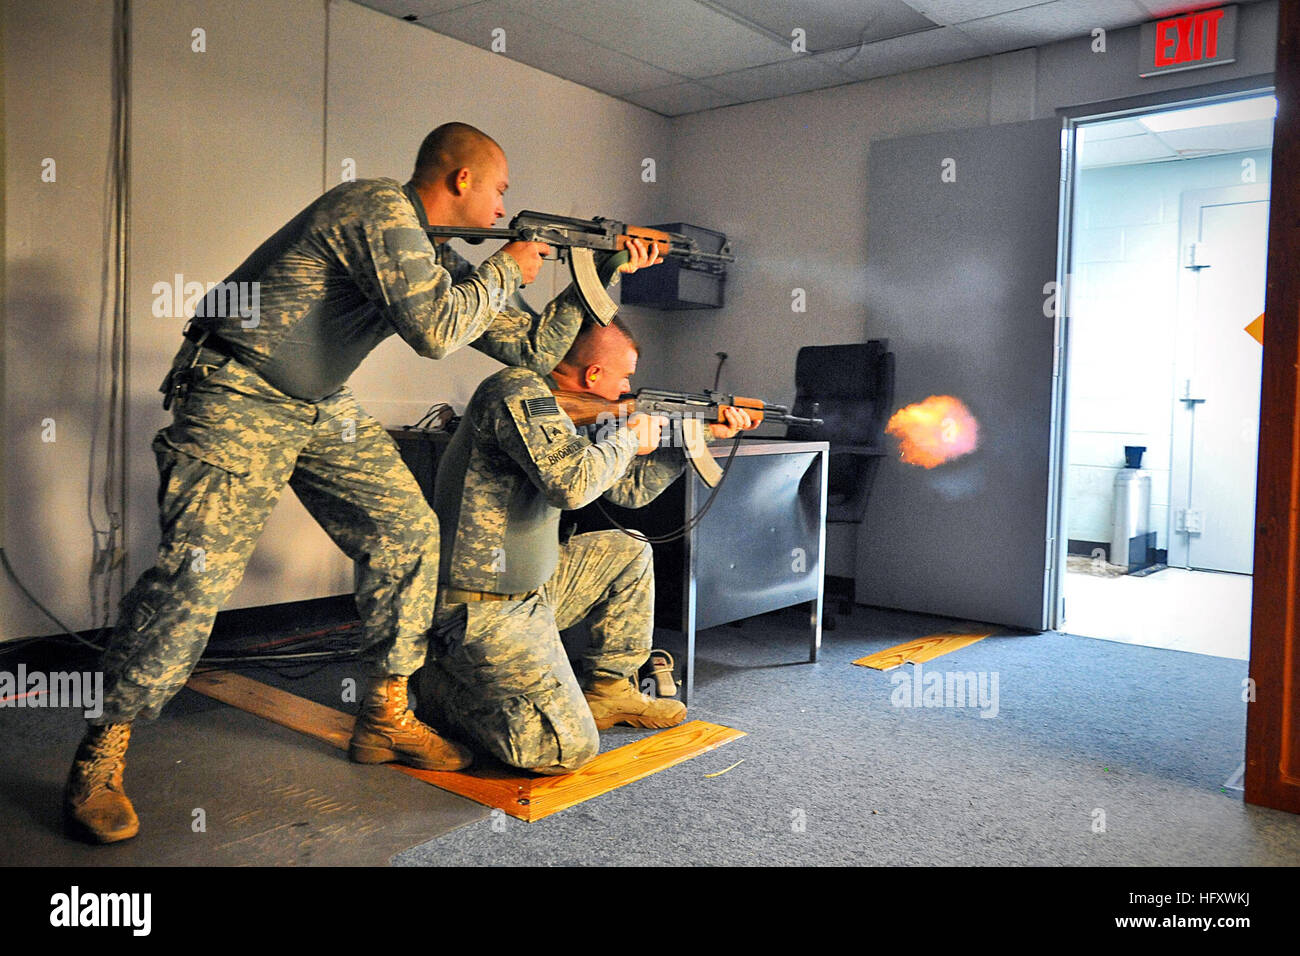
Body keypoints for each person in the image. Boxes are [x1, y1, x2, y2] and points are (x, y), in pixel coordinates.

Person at [64, 122, 663, 844]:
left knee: (409, 535)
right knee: (195, 582)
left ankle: (386, 714)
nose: (506, 204)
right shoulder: (377, 209)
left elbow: (533, 349)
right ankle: (103, 752)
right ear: (461, 179)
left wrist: (611, 269)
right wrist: (506, 265)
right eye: (501, 189)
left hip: (317, 405)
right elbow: (436, 331)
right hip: (236, 389)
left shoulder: (438, 256)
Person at [413, 319, 753, 775]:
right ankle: (442, 694)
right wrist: (630, 434)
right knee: (564, 749)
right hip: (477, 609)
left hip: (533, 591)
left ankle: (609, 688)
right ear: (593, 376)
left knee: (628, 550)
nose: (628, 387)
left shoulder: (559, 417)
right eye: (626, 377)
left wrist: (697, 438)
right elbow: (570, 486)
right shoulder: (517, 390)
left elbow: (626, 493)